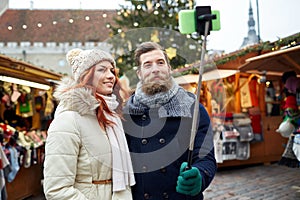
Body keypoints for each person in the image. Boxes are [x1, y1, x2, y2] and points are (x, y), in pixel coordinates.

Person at [122, 41, 217, 200]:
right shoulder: (126, 113)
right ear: (139, 73)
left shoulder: (193, 107)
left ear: (169, 68)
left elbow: (206, 158)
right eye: (148, 65)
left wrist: (199, 176)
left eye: (160, 62)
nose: (155, 69)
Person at [43, 48, 135, 199]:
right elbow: (57, 190)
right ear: (86, 76)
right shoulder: (68, 120)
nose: (110, 76)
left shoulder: (112, 118)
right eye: (102, 70)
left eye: (112, 70)